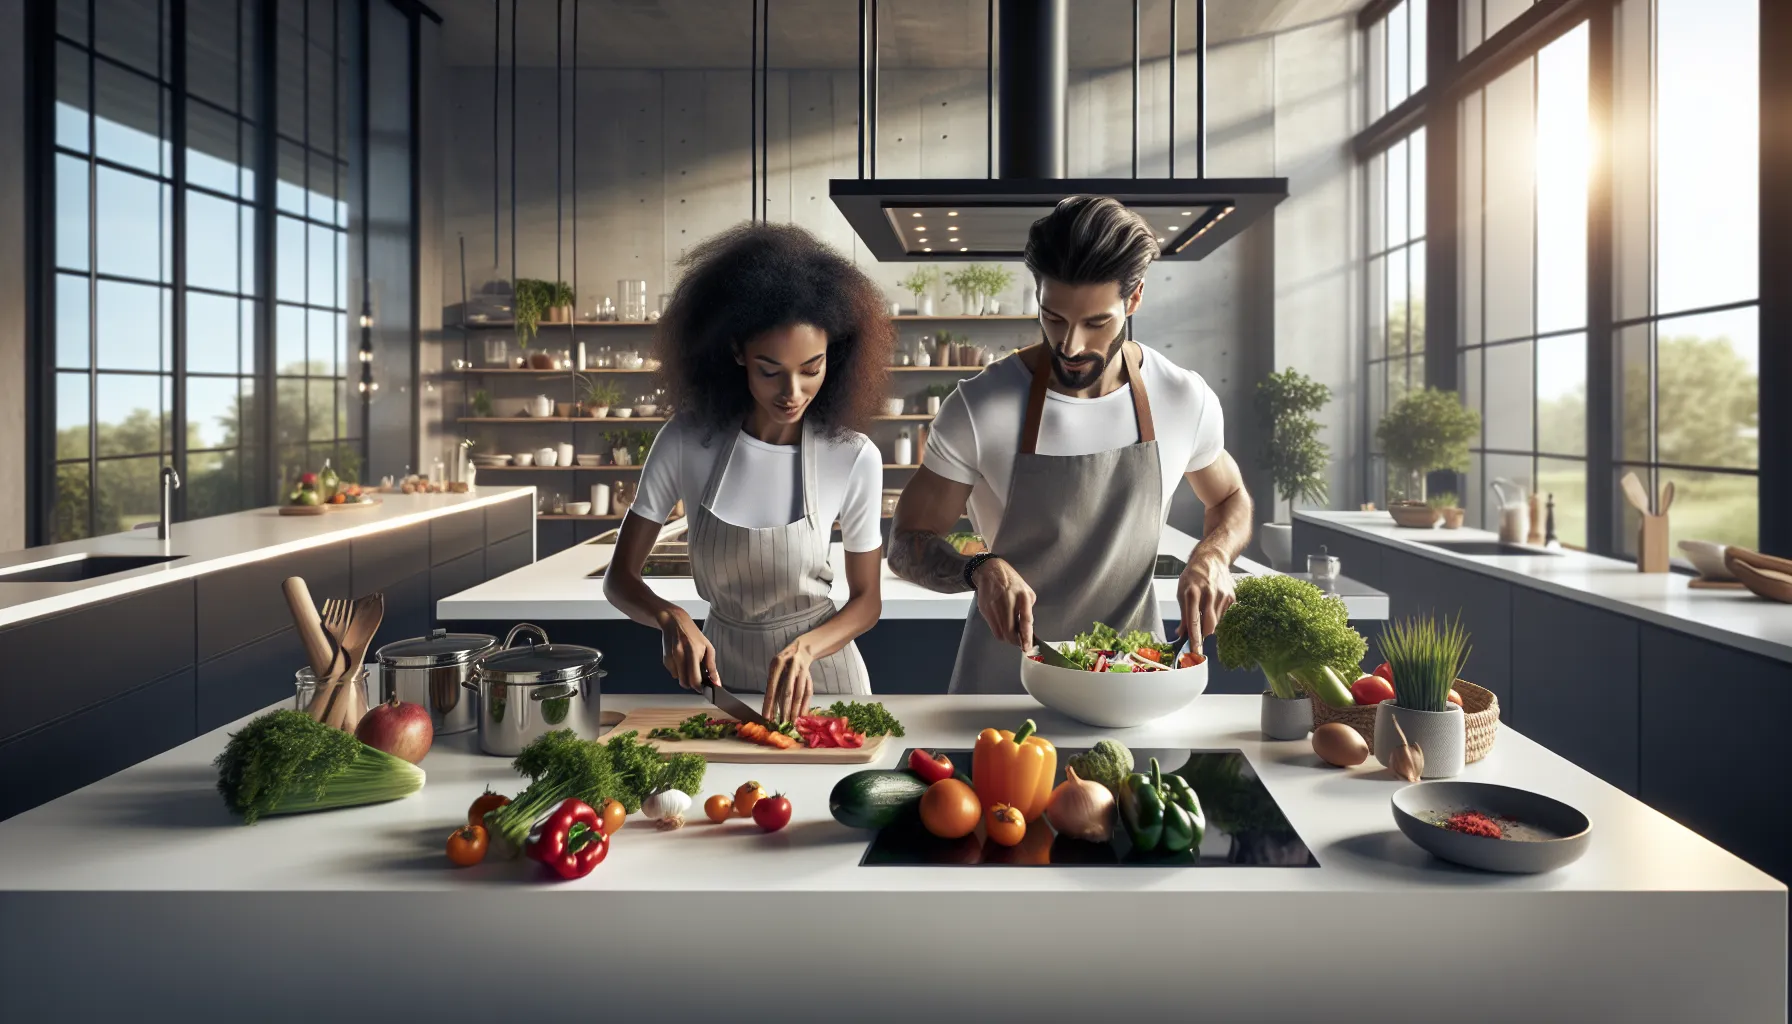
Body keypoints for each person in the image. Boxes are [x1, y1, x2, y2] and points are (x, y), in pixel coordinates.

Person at [889, 196, 1253, 694]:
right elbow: (906, 542)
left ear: (1135, 299)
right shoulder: (980, 406)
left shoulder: (1183, 399)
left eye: (1096, 323)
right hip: (1002, 686)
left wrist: (1213, 555)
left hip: (1131, 682)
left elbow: (1230, 498)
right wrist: (979, 568)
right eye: (1054, 317)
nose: (1071, 346)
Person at [602, 222, 894, 720]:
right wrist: (670, 617)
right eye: (770, 369)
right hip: (723, 684)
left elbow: (867, 601)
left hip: (824, 684)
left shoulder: (852, 455)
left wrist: (806, 649)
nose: (793, 391)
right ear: (736, 352)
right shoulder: (687, 440)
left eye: (812, 368)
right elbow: (619, 579)